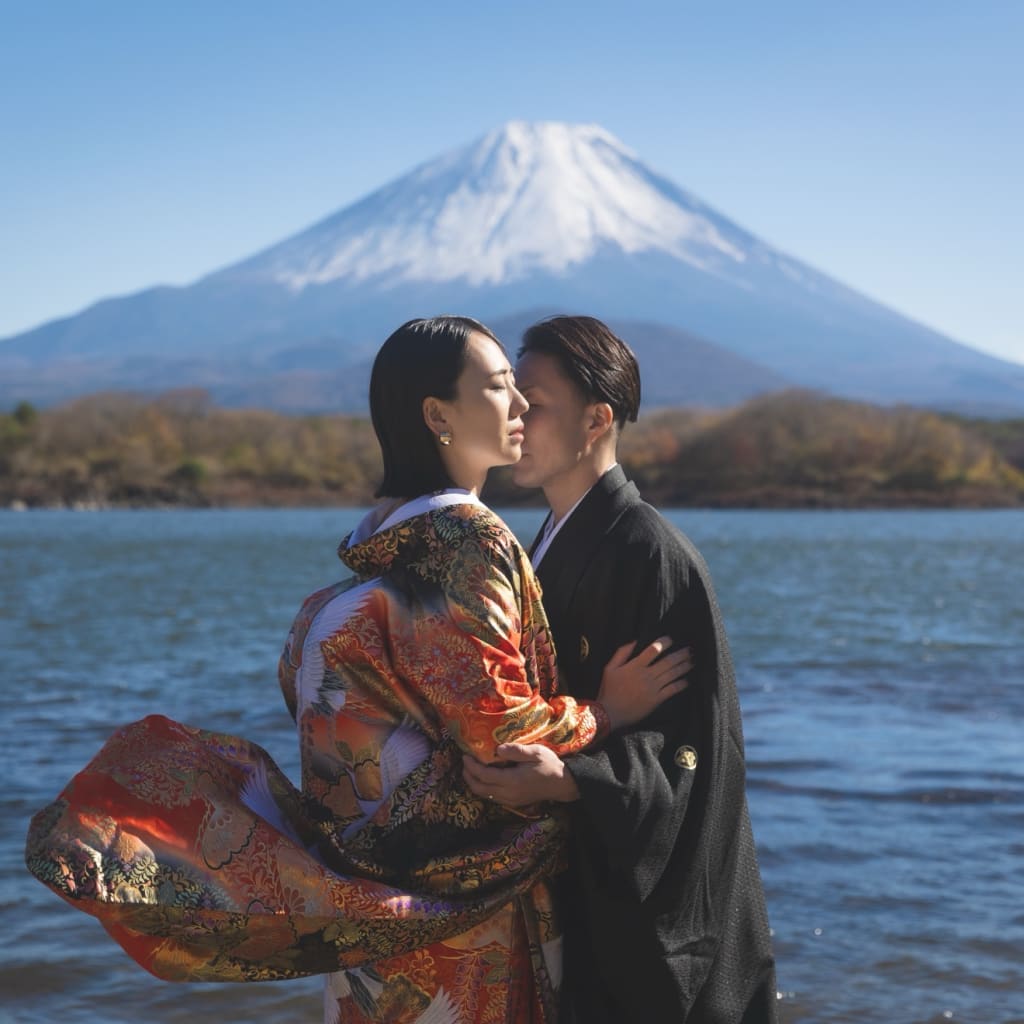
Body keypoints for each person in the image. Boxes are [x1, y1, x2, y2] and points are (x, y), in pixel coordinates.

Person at [26, 315, 687, 1023]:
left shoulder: (374, 549)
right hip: (460, 919)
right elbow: (499, 735)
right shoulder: (468, 540)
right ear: (437, 416)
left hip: (370, 915)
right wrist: (607, 713)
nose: (522, 403)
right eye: (500, 387)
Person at [463, 316, 778, 1022]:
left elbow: (690, 755)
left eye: (536, 403)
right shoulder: (544, 541)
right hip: (576, 887)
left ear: (597, 418)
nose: (515, 417)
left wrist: (574, 779)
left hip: (647, 927)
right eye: (512, 398)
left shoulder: (650, 554)